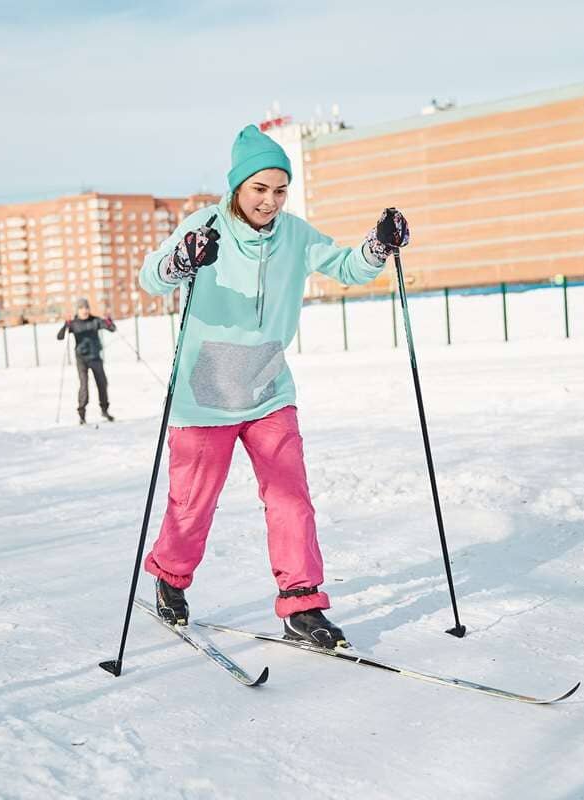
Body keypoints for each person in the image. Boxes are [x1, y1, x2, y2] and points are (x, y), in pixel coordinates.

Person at [136, 124, 410, 648]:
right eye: (260, 188)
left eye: (280, 190)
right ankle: (170, 579)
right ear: (238, 186)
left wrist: (379, 246)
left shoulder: (296, 234)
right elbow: (152, 278)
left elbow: (348, 268)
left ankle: (302, 603)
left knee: (291, 499)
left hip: (268, 387)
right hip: (205, 392)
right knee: (192, 504)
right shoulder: (204, 226)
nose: (270, 200)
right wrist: (183, 260)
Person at [56, 298, 116, 424]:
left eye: (87, 307)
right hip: (81, 359)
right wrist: (66, 325)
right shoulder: (74, 323)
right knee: (84, 386)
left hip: (95, 357)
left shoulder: (95, 320)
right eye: (82, 308)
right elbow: (60, 337)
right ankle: (82, 414)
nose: (85, 310)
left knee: (102, 383)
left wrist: (108, 321)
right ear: (78, 310)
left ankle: (104, 410)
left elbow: (112, 328)